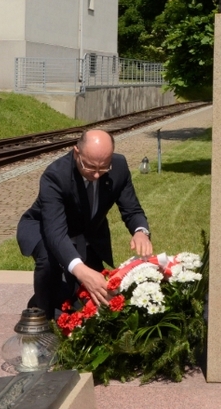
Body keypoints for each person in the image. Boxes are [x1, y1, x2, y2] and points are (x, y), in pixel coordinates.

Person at [16, 129, 152, 314]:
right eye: (90, 167)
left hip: (86, 233)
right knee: (50, 262)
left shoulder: (119, 167)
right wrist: (80, 269)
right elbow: (55, 233)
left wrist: (140, 232)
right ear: (76, 152)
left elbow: (132, 210)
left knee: (92, 294)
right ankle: (41, 313)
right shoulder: (55, 176)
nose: (96, 175)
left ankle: (65, 294)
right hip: (43, 228)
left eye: (103, 168)